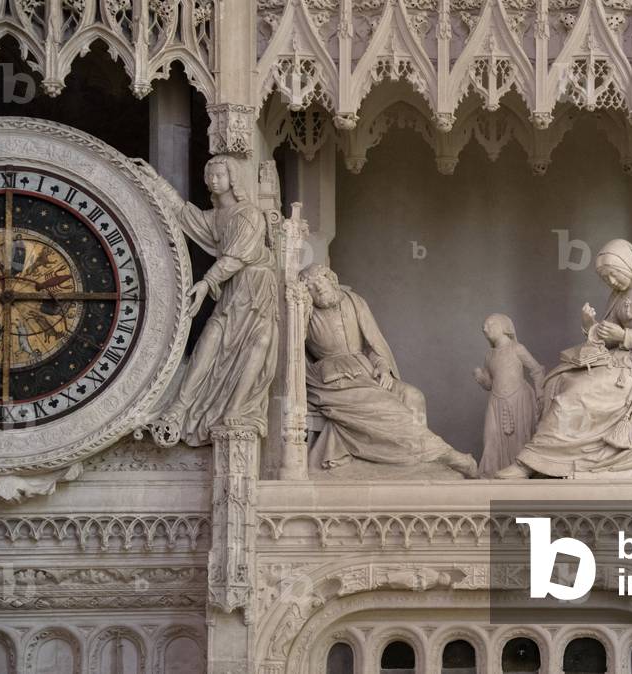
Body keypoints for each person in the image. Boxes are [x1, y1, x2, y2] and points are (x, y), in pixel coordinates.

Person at [495, 239, 632, 478]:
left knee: (574, 395)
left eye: (614, 275)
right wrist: (592, 327)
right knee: (560, 379)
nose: (612, 282)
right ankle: (545, 463)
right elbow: (607, 339)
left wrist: (624, 336)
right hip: (623, 363)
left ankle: (532, 463)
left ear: (629, 264)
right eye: (606, 279)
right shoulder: (619, 295)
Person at [301, 264, 478, 477]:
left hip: (368, 369)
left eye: (321, 282)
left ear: (332, 279)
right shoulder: (305, 312)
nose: (318, 290)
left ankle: (420, 464)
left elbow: (372, 345)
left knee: (412, 396)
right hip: (334, 379)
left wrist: (383, 366)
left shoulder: (355, 302)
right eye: (311, 288)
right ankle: (447, 455)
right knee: (388, 408)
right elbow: (294, 350)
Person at [152, 155, 277, 446]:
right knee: (209, 343)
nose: (213, 180)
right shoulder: (216, 216)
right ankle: (180, 408)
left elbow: (235, 256)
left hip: (257, 289)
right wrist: (155, 182)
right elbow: (186, 215)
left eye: (219, 175)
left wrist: (206, 282)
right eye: (210, 175)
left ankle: (235, 407)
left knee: (256, 345)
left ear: (232, 178)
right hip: (233, 290)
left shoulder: (248, 215)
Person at [474, 314, 544, 477]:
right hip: (496, 401)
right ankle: (491, 472)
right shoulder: (489, 355)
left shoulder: (517, 348)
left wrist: (540, 393)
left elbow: (536, 370)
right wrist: (481, 378)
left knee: (520, 438)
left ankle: (520, 471)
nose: (485, 328)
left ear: (505, 327)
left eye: (490, 324)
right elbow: (490, 385)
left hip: (519, 398)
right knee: (491, 438)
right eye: (483, 326)